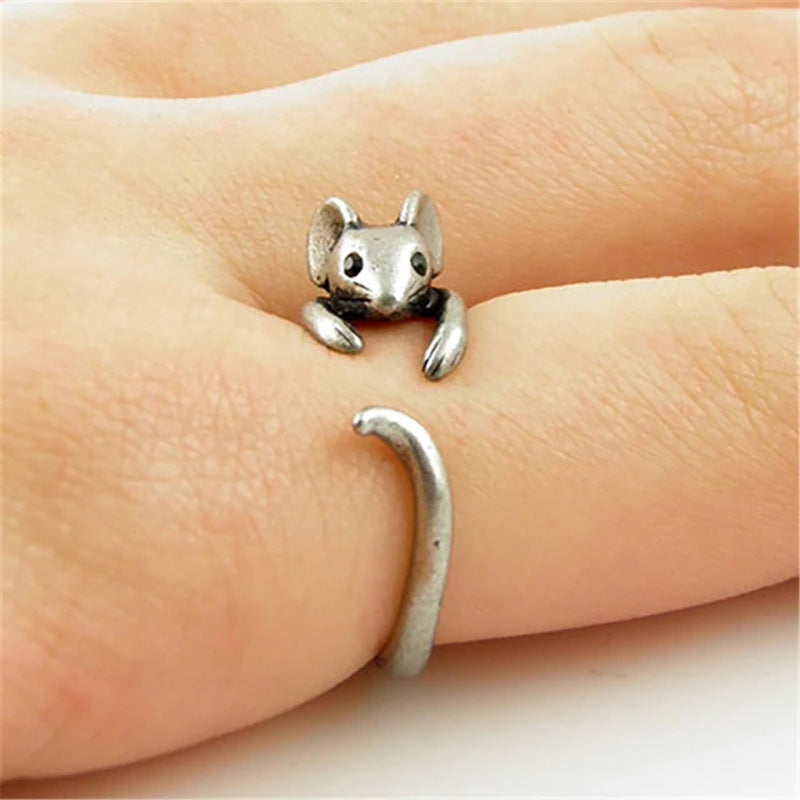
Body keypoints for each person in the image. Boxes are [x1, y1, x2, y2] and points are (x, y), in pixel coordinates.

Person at [3, 0, 796, 782]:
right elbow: (320, 314)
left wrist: (446, 345)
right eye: (356, 271)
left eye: (411, 268)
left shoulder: (433, 297)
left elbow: (445, 310)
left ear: (429, 252)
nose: (385, 291)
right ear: (327, 255)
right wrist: (336, 339)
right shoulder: (330, 297)